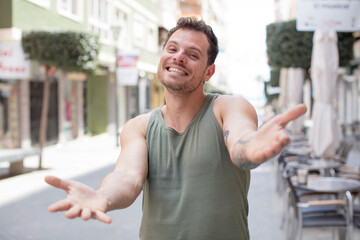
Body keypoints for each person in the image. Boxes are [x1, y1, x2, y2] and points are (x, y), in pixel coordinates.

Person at [45, 17, 307, 239]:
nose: (179, 57)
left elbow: (240, 142)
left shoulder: (228, 107)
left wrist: (250, 151)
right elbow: (127, 177)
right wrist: (102, 196)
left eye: (193, 55)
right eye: (172, 49)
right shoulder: (140, 127)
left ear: (208, 72)